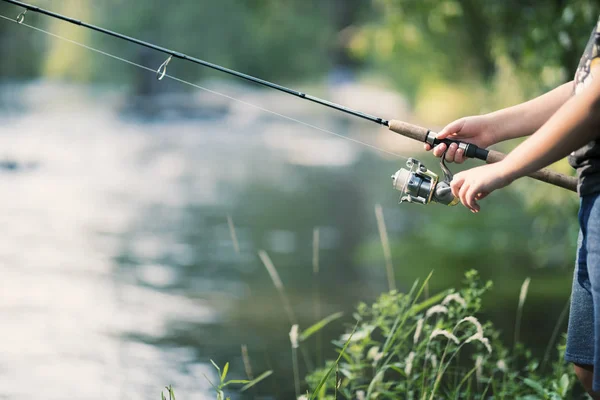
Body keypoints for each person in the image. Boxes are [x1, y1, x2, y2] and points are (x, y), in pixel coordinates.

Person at [425, 17, 600, 398]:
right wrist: (491, 127)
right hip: (593, 191)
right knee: (588, 367)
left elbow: (596, 100)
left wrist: (506, 169)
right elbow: (585, 87)